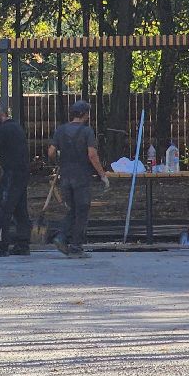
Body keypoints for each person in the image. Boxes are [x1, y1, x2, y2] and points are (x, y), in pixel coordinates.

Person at [46, 101, 109, 258]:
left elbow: (51, 152)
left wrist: (58, 162)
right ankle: (75, 246)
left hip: (65, 177)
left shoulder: (60, 130)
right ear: (84, 114)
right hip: (81, 177)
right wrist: (102, 175)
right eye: (88, 113)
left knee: (73, 210)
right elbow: (92, 155)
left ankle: (61, 237)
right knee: (81, 211)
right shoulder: (87, 132)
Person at [0, 103, 32, 256]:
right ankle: (22, 244)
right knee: (20, 209)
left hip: (12, 173)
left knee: (2, 209)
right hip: (22, 172)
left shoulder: (4, 129)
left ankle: (1, 245)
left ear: (3, 115)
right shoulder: (16, 127)